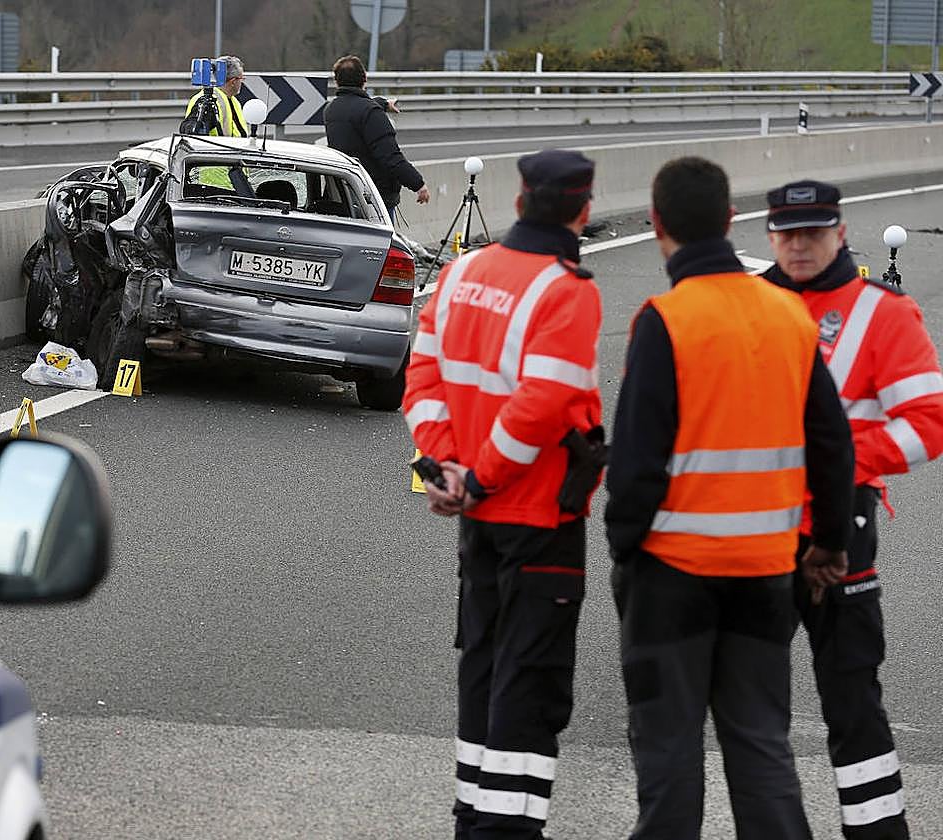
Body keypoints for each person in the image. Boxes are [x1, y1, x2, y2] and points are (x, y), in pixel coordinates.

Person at [604, 156, 856, 840]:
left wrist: (624, 550)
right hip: (766, 575)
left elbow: (635, 466)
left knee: (670, 760)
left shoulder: (666, 319)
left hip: (670, 575)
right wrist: (829, 544)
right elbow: (834, 447)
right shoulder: (788, 316)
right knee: (761, 750)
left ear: (657, 225)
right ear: (732, 221)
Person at [403, 149, 602, 840]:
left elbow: (422, 381)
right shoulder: (567, 290)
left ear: (518, 202)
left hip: (476, 519)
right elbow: (541, 406)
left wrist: (448, 471)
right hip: (538, 517)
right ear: (582, 210)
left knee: (483, 672)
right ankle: (506, 832)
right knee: (532, 685)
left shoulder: (461, 274)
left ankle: (472, 820)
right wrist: (483, 476)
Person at [762, 180, 943, 840]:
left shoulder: (881, 313)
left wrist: (842, 461)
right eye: (788, 233)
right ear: (771, 237)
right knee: (753, 707)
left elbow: (927, 422)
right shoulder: (751, 307)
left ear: (839, 232)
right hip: (756, 535)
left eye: (813, 231)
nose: (801, 245)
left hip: (843, 532)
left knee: (852, 701)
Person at [324, 54, 429, 218]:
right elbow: (390, 157)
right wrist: (418, 184)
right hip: (374, 197)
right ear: (364, 78)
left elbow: (355, 109)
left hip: (344, 193)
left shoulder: (331, 110)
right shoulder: (371, 113)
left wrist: (383, 103)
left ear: (337, 81)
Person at [184, 55, 249, 188]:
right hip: (213, 182)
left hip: (235, 179)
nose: (241, 82)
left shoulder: (233, 102)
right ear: (233, 81)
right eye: (241, 79)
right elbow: (191, 131)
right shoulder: (207, 101)